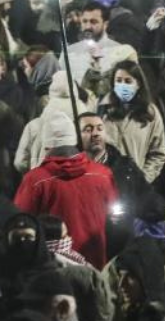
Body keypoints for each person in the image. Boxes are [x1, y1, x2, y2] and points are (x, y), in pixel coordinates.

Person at [14, 111, 117, 268]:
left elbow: (21, 222)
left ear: (47, 145)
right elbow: (114, 218)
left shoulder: (35, 180)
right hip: (95, 264)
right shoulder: (103, 174)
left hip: (53, 266)